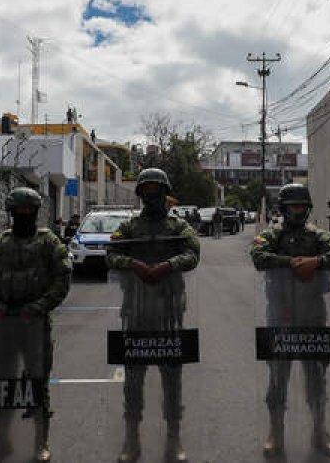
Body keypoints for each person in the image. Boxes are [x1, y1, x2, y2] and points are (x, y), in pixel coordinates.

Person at [107, 168, 200, 463]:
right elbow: (110, 253)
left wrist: (168, 265)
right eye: (145, 189)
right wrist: (132, 263)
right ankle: (131, 438)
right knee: (133, 377)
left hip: (170, 310)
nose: (150, 194)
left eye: (155, 189)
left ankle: (174, 437)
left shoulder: (178, 225)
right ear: (140, 194)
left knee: (172, 376)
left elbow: (193, 253)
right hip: (135, 309)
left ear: (164, 191)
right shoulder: (130, 226)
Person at [0, 187, 72, 462]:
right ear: (11, 212)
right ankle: (1, 438)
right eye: (19, 210)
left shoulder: (49, 242)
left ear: (36, 212)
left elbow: (62, 278)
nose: (23, 215)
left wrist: (39, 306)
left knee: (37, 383)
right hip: (3, 323)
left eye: (29, 210)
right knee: (2, 383)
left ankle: (41, 440)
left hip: (34, 323)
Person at [250, 183, 330, 458]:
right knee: (278, 377)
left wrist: (315, 262)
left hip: (313, 315)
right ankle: (275, 432)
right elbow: (258, 256)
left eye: (301, 206)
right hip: (280, 314)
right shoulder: (272, 235)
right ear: (283, 208)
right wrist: (291, 263)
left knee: (316, 377)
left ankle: (320, 430)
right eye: (292, 206)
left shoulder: (319, 235)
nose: (297, 211)